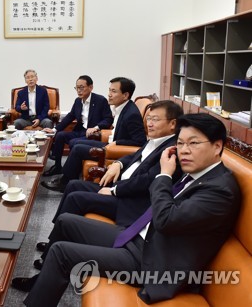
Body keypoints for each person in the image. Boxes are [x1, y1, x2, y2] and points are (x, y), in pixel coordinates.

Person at [12, 113, 241, 306]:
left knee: (61, 252)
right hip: (140, 238)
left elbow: (166, 219)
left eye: (193, 143)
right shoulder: (201, 175)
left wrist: (164, 174)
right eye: (180, 143)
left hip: (151, 263)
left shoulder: (220, 190)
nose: (184, 150)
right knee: (66, 221)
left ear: (217, 146)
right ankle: (43, 279)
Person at [34, 100, 184, 269]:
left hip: (130, 201)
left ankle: (50, 256)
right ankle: (54, 238)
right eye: (148, 118)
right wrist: (118, 164)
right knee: (74, 185)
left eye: (155, 119)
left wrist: (115, 191)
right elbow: (137, 156)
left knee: (76, 198)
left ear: (173, 124)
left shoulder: (172, 151)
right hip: (121, 187)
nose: (149, 123)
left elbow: (147, 181)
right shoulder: (157, 140)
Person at [42, 76, 146, 177]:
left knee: (77, 147)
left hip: (111, 146)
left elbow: (141, 142)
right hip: (96, 136)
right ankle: (60, 169)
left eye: (113, 91)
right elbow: (70, 116)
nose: (109, 94)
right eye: (109, 90)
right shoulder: (121, 108)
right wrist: (54, 129)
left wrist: (116, 141)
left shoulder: (130, 113)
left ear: (125, 95)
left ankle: (65, 180)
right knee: (67, 138)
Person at [41, 75, 113, 176]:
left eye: (81, 87)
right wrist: (54, 129)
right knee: (60, 135)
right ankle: (57, 167)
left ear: (91, 87)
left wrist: (96, 127)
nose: (79, 90)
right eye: (77, 88)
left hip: (92, 134)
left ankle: (71, 172)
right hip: (79, 131)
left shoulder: (100, 100)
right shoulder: (78, 101)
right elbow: (70, 116)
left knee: (73, 142)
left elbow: (108, 119)